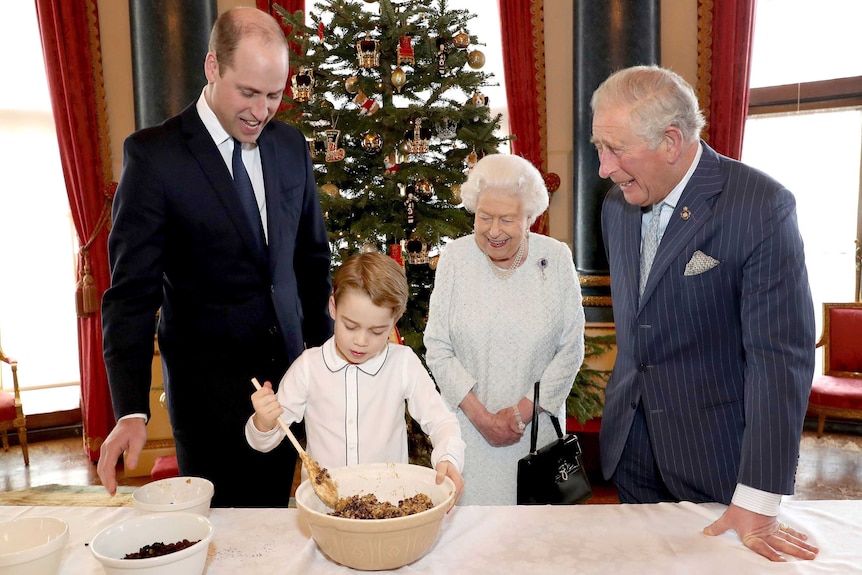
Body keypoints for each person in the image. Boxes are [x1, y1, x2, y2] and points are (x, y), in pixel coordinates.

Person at [98, 7, 333, 508]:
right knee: (223, 544)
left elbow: (312, 265)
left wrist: (329, 365)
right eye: (247, 92)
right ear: (212, 67)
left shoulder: (291, 146)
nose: (261, 110)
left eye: (273, 95)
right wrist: (130, 410)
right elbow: (130, 296)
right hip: (211, 406)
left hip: (290, 388)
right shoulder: (154, 157)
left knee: (277, 529)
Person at [590, 65, 819, 561]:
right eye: (598, 148)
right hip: (630, 447)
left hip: (717, 460)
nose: (604, 168)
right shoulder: (616, 205)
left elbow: (780, 359)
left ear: (671, 141)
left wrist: (759, 495)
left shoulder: (761, 206)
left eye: (615, 150)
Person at [424, 154, 585, 505]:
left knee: (533, 545)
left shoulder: (555, 259)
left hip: (535, 438)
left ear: (530, 218)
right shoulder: (454, 258)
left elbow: (571, 348)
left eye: (507, 219)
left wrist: (519, 413)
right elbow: (436, 345)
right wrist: (481, 417)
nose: (494, 231)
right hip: (467, 434)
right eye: (484, 218)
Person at [246, 252, 465, 501]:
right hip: (324, 508)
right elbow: (264, 442)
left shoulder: (402, 363)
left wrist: (448, 457)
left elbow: (442, 421)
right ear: (333, 307)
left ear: (394, 320)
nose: (361, 341)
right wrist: (264, 422)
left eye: (376, 331)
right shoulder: (309, 366)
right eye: (350, 326)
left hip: (387, 505)